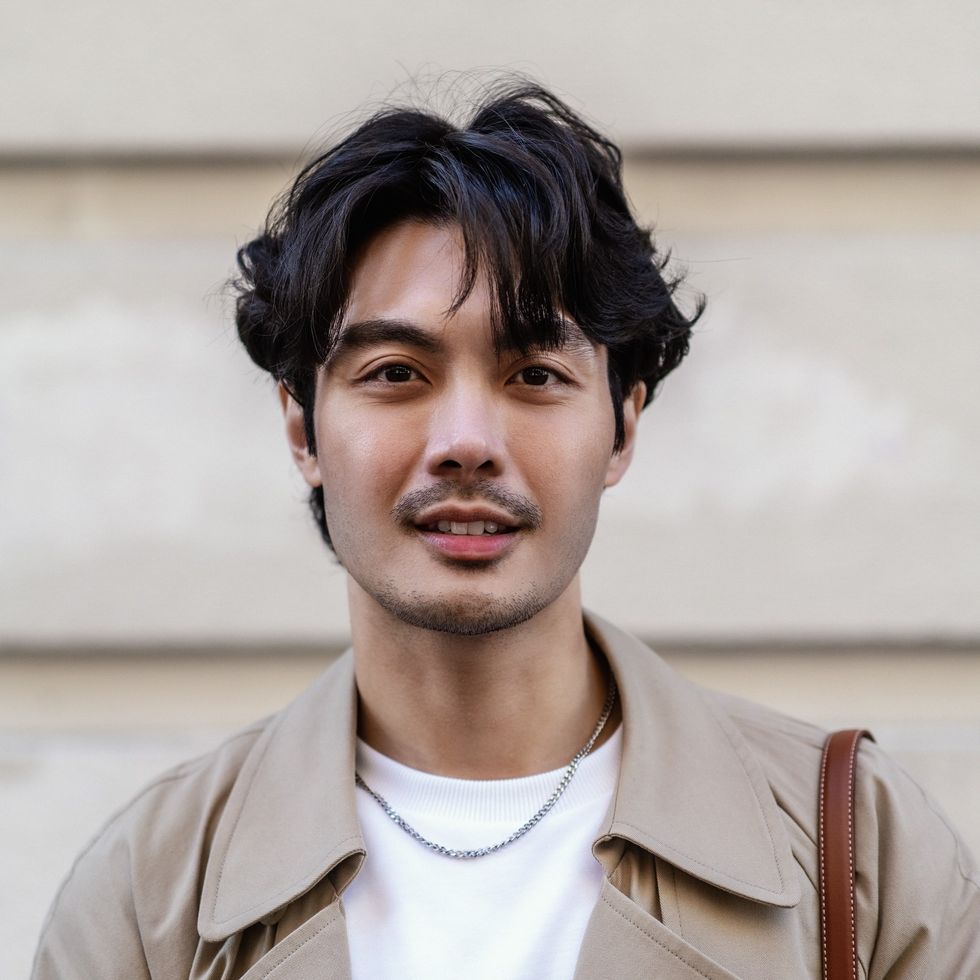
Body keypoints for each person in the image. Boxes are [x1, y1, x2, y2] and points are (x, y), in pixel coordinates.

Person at [33, 81, 979, 980]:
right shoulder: (150, 895)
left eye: (534, 374)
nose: (466, 445)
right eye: (397, 373)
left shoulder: (859, 854)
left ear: (624, 424)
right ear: (301, 427)